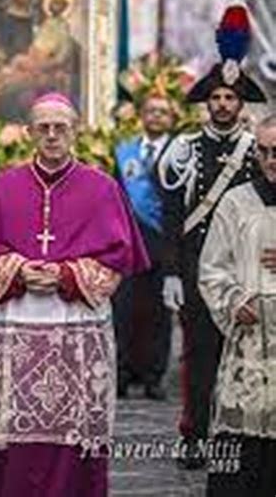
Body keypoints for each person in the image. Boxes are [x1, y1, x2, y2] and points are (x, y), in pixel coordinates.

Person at [0, 92, 150, 497]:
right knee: (10, 428)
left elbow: (117, 259)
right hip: (15, 323)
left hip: (76, 326)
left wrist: (65, 275)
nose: (51, 135)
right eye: (43, 128)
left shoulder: (102, 189)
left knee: (73, 429)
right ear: (29, 132)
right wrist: (21, 271)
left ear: (74, 131)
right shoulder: (3, 186)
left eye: (60, 127)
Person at [157, 5, 267, 468]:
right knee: (199, 359)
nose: (223, 104)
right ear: (208, 102)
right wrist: (172, 273)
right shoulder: (183, 150)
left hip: (246, 266)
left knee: (244, 356)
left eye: (230, 98)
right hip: (200, 267)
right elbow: (171, 216)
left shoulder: (255, 150)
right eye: (217, 97)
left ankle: (239, 437)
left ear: (241, 104)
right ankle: (195, 436)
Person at [199, 113, 276, 496]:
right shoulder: (235, 203)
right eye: (263, 151)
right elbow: (212, 269)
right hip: (250, 344)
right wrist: (232, 301)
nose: (271, 159)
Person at [113, 93, 174, 400]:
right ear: (142, 115)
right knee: (122, 309)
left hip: (166, 242)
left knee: (161, 312)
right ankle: (120, 374)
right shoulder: (125, 153)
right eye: (151, 111)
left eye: (163, 112)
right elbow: (115, 200)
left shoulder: (182, 154)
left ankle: (154, 377)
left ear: (172, 118)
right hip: (130, 241)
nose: (157, 116)